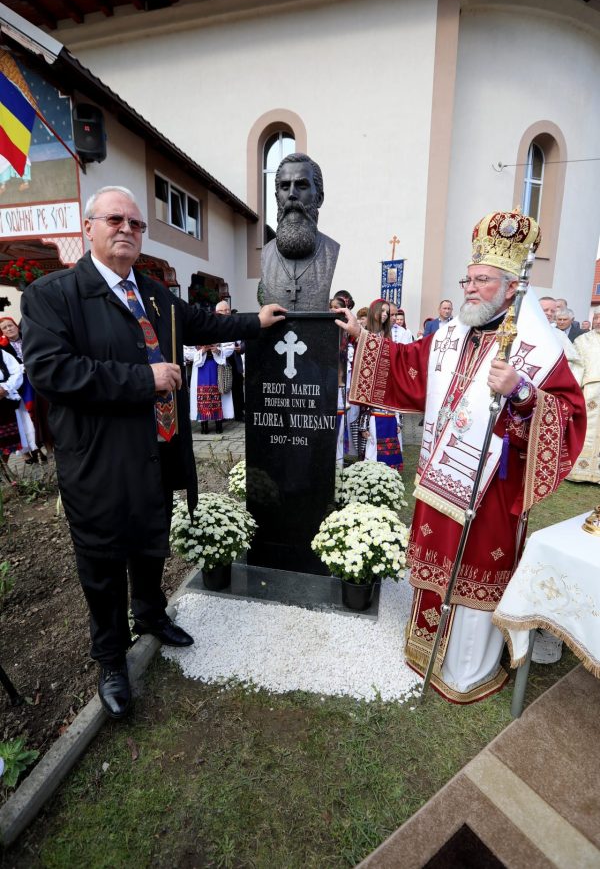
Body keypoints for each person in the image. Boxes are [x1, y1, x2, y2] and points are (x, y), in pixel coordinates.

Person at [20, 185, 285, 720]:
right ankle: (112, 660)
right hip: (99, 461)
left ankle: (152, 616)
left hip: (158, 452)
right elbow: (53, 372)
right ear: (88, 228)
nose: (127, 229)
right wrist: (144, 379)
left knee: (150, 544)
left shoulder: (156, 293)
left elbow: (207, 324)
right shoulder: (54, 295)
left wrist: (256, 322)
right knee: (101, 563)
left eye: (137, 224)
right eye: (115, 219)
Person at [336, 209, 586, 703]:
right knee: (434, 553)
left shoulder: (539, 347)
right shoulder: (452, 333)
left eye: (482, 280)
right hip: (438, 476)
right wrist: (362, 339)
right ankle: (424, 644)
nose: (470, 288)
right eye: (467, 279)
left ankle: (467, 667)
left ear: (512, 288)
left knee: (476, 562)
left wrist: (522, 393)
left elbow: (569, 415)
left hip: (492, 485)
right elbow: (409, 366)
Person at [260, 153, 340, 311]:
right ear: (277, 198)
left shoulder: (330, 250)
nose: (292, 194)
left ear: (319, 198)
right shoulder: (266, 253)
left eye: (302, 186)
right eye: (285, 187)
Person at [358, 299, 403, 472]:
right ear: (374, 311)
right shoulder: (365, 334)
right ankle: (371, 469)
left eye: (387, 312)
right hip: (369, 390)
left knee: (388, 429)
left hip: (387, 388)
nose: (385, 315)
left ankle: (388, 470)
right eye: (382, 311)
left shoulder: (387, 337)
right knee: (371, 435)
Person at [0, 316, 42, 464]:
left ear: (16, 326)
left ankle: (37, 447)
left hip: (32, 381)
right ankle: (25, 453)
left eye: (10, 325)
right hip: (19, 388)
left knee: (34, 416)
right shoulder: (3, 347)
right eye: (4, 328)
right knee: (22, 420)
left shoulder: (28, 339)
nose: (9, 329)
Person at [568, 309, 600, 484]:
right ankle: (579, 470)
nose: (598, 321)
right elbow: (576, 364)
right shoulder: (583, 340)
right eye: (596, 317)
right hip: (589, 390)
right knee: (586, 428)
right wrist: (575, 388)